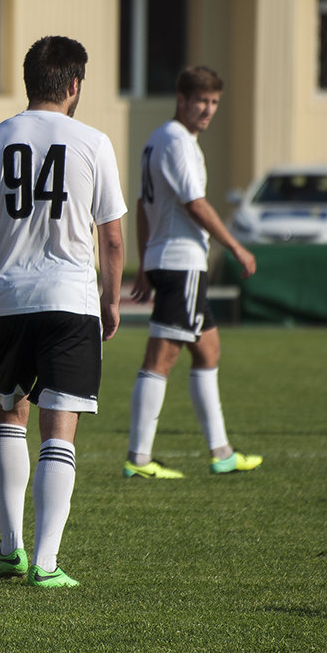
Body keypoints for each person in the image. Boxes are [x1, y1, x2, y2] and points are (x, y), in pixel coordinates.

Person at [0, 35, 126, 588]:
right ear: (73, 84)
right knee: (58, 427)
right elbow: (112, 239)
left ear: (29, 81)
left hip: (9, 299)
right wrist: (111, 299)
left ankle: (9, 549)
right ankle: (45, 563)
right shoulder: (93, 142)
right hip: (70, 300)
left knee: (7, 414)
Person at [123, 66, 262, 479]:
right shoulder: (177, 141)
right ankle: (139, 459)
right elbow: (194, 204)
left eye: (214, 102)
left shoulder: (158, 139)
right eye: (201, 100)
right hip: (182, 262)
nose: (208, 110)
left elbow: (144, 204)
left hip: (172, 261)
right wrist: (235, 245)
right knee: (160, 358)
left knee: (208, 349)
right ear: (181, 99)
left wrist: (146, 262)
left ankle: (221, 453)